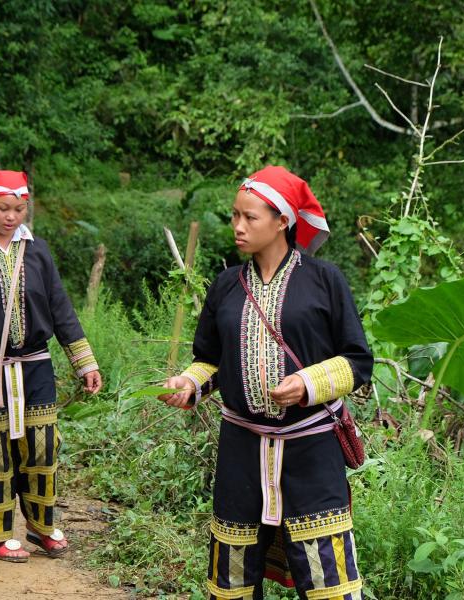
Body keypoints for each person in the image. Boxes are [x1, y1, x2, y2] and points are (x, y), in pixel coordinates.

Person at [160, 166, 373, 600]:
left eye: (250, 217)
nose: (238, 226)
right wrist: (188, 383)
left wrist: (307, 383)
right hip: (242, 448)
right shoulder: (226, 286)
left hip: (311, 449)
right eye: (235, 215)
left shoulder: (324, 281)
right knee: (233, 572)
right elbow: (211, 360)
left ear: (282, 222)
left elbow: (357, 362)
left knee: (327, 576)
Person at [0, 169, 102, 563]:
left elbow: (61, 309)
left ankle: (42, 527)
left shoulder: (37, 251)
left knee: (42, 449)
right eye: (3, 208)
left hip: (35, 367)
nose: (12, 216)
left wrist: (85, 363)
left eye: (19, 208)